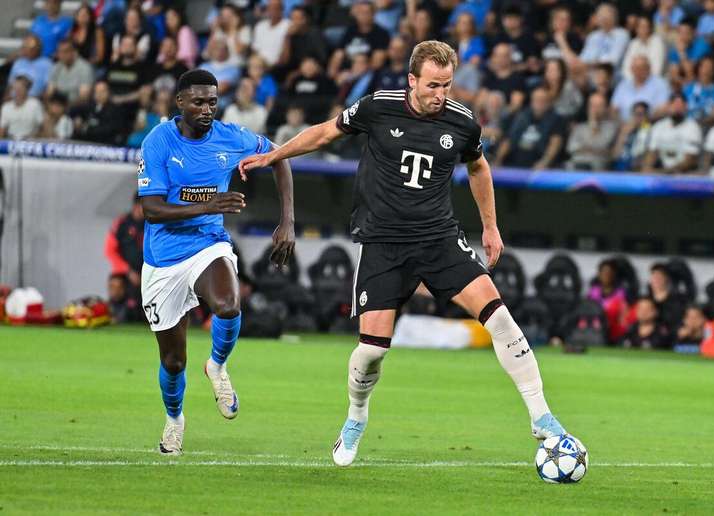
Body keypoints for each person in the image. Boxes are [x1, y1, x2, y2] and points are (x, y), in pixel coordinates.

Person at [239, 40, 568, 467]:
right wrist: (274, 156)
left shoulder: (463, 122)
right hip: (383, 243)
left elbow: (478, 166)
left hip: (438, 239)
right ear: (412, 80)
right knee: (373, 349)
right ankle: (356, 417)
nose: (440, 94)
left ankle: (542, 418)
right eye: (433, 85)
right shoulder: (378, 107)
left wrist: (489, 224)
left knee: (501, 319)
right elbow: (323, 132)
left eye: (447, 85)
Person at [137, 69, 295, 455]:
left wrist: (287, 221)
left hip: (208, 244)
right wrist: (209, 204)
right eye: (198, 101)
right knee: (173, 362)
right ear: (179, 103)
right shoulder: (158, 141)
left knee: (228, 302)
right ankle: (175, 419)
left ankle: (218, 366)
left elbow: (279, 158)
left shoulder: (233, 137)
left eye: (212, 101)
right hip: (163, 259)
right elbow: (152, 210)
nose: (207, 109)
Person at [494, 86, 566, 169]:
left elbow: (555, 144)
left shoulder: (557, 119)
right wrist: (498, 159)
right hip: (515, 160)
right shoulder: (522, 116)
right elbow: (509, 140)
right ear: (532, 101)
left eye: (543, 100)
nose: (539, 103)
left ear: (549, 103)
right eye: (536, 100)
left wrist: (544, 162)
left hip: (538, 161)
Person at [642, 94, 702, 174]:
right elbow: (652, 153)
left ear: (686, 107)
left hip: (683, 173)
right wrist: (647, 169)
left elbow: (689, 161)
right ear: (669, 106)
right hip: (662, 168)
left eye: (680, 105)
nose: (677, 108)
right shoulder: (659, 126)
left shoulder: (693, 127)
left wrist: (663, 172)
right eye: (674, 105)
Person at [566, 93, 618, 171]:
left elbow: (601, 145)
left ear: (605, 108)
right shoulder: (580, 127)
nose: (595, 109)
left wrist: (594, 124)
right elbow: (571, 148)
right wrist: (594, 150)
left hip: (597, 167)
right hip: (576, 164)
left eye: (599, 106)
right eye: (592, 105)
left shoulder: (611, 127)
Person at [46, 39, 94, 105]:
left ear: (75, 52)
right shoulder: (56, 67)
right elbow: (49, 92)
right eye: (59, 52)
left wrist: (64, 108)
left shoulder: (85, 68)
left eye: (65, 51)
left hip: (76, 107)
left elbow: (84, 97)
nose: (61, 55)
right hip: (57, 105)